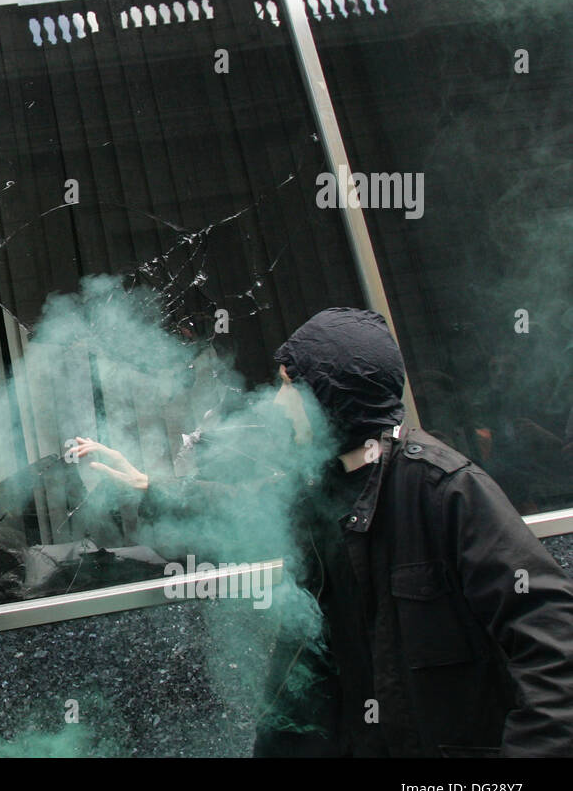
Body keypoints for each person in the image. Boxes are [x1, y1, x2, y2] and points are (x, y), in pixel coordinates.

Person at [74, 307, 573, 756]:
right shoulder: (320, 487)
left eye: (290, 387)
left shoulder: (446, 491)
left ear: (331, 396)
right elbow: (237, 509)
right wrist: (144, 486)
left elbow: (555, 649)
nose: (276, 404)